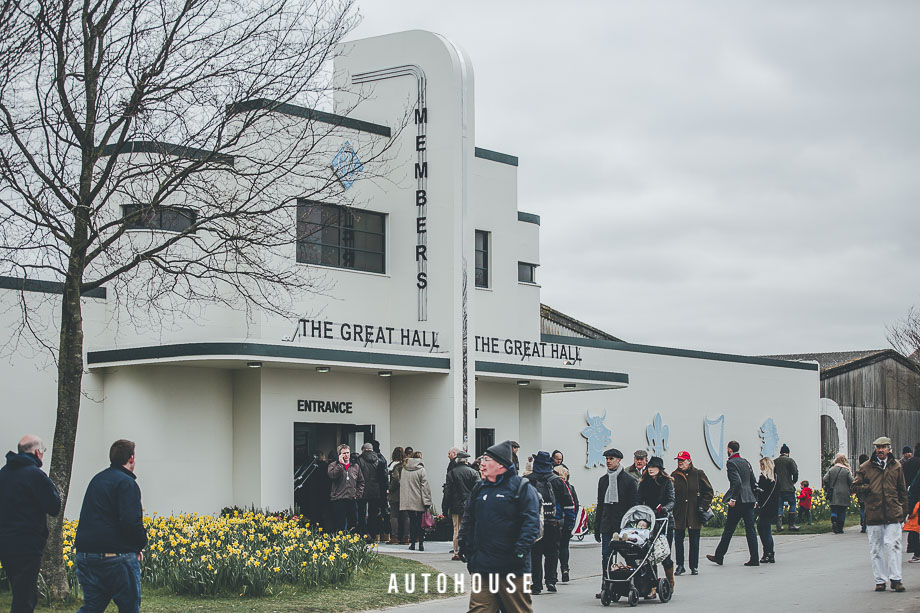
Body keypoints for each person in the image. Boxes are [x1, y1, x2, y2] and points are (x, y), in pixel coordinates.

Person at [458, 440, 540, 613]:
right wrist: (465, 545)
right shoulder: (479, 488)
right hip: (483, 567)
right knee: (479, 610)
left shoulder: (521, 488)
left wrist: (519, 552)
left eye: (487, 460)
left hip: (512, 569)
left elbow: (531, 524)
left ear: (501, 464)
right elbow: (469, 520)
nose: (482, 464)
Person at [75, 439, 147, 613]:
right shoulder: (127, 483)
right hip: (116, 557)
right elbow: (131, 522)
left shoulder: (97, 480)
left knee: (92, 607)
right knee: (129, 607)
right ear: (131, 458)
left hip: (86, 555)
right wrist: (139, 544)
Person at [0, 435, 61, 613]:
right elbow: (54, 506)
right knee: (25, 597)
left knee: (22, 591)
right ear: (37, 452)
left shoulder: (3, 473)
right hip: (27, 543)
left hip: (5, 541)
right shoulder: (36, 475)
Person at [852, 436, 908, 592]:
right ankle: (880, 580)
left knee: (894, 545)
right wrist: (868, 488)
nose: (880, 450)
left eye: (883, 447)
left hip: (893, 512)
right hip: (874, 513)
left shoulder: (896, 466)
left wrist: (904, 511)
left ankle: (896, 579)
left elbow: (902, 489)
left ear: (889, 449)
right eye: (878, 447)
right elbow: (855, 486)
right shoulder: (866, 467)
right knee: (876, 548)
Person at [524, 451, 574, 595]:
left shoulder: (527, 481)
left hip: (534, 524)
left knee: (535, 554)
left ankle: (536, 584)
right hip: (554, 522)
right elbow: (569, 504)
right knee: (552, 553)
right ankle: (551, 580)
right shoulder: (557, 481)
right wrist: (569, 524)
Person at [594, 447, 640, 599]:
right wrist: (597, 526)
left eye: (611, 459)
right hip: (607, 524)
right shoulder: (603, 480)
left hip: (623, 526)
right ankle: (606, 586)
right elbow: (600, 504)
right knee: (606, 557)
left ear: (619, 460)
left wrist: (631, 525)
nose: (608, 461)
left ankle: (634, 584)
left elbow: (634, 506)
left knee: (629, 556)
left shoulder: (629, 481)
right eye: (607, 459)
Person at [707, 440, 760, 567]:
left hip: (739, 500)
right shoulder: (746, 462)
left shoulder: (731, 463)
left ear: (729, 449)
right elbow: (753, 482)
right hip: (749, 499)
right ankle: (755, 558)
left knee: (729, 530)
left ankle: (719, 556)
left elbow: (737, 482)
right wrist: (755, 499)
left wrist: (733, 499)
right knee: (751, 530)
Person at [672, 450, 713, 577]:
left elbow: (709, 492)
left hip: (694, 512)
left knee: (694, 541)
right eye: (679, 460)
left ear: (689, 461)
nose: (680, 463)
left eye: (683, 460)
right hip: (679, 513)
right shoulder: (674, 475)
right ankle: (680, 565)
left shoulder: (698, 474)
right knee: (678, 540)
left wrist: (703, 506)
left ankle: (694, 566)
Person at [638, 456, 676, 591]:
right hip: (649, 521)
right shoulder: (644, 483)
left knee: (664, 553)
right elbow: (639, 500)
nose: (651, 469)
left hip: (664, 522)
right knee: (649, 554)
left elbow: (672, 500)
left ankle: (670, 581)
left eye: (653, 467)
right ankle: (653, 585)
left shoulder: (667, 482)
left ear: (660, 469)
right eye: (649, 467)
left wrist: (665, 509)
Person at [443, 451, 479, 561]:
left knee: (457, 529)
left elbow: (447, 492)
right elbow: (477, 490)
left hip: (455, 505)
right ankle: (467, 550)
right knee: (468, 527)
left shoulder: (451, 473)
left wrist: (445, 507)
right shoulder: (473, 472)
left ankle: (457, 551)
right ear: (466, 460)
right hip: (469, 504)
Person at [327, 443, 365, 533]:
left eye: (348, 453)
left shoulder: (355, 466)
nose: (346, 455)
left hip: (351, 498)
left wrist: (358, 494)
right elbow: (332, 475)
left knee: (353, 523)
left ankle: (352, 539)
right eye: (344, 453)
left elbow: (361, 481)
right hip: (338, 498)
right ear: (339, 454)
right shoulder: (333, 465)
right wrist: (340, 465)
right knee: (340, 524)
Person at [400, 451, 432, 551]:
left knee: (412, 521)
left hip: (408, 500)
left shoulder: (404, 469)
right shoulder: (421, 470)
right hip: (419, 499)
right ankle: (421, 543)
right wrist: (427, 501)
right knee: (420, 523)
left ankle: (412, 543)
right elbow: (425, 487)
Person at [356, 442, 387, 542]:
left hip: (362, 490)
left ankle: (364, 533)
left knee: (361, 512)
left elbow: (356, 475)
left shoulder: (359, 460)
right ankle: (373, 533)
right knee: (373, 513)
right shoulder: (379, 459)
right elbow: (384, 476)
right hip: (375, 490)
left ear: (363, 450)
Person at [553, 464, 579, 583]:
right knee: (564, 546)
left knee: (554, 548)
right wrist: (572, 522)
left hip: (556, 521)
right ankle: (565, 569)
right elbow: (575, 505)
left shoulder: (553, 486)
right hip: (566, 521)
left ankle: (553, 573)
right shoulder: (570, 488)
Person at [823, 454, 854, 534]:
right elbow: (852, 481)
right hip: (844, 493)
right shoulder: (846, 471)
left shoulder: (832, 469)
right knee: (842, 511)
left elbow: (825, 479)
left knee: (834, 509)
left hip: (833, 492)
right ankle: (840, 528)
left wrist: (828, 486)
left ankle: (834, 517)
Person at [756, 457, 778, 564]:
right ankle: (770, 553)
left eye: (761, 465)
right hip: (773, 507)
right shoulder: (775, 478)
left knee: (762, 529)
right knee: (767, 529)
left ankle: (767, 553)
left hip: (764, 507)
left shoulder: (763, 478)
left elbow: (761, 494)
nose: (760, 467)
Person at [774, 443, 800, 532]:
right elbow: (795, 472)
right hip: (788, 488)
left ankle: (779, 525)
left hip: (778, 488)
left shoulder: (775, 461)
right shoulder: (790, 461)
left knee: (779, 506)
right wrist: (793, 481)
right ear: (788, 453)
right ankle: (791, 524)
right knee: (792, 504)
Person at [387, 447, 408, 544]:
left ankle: (395, 537)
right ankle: (406, 537)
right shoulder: (406, 465)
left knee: (394, 515)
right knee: (405, 516)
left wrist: (390, 488)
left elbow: (395, 478)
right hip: (406, 493)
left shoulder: (394, 465)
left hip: (395, 493)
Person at [857, 453, 870, 533]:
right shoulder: (870, 469)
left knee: (862, 508)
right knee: (867, 508)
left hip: (861, 491)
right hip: (868, 491)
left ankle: (863, 524)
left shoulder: (859, 470)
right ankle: (866, 523)